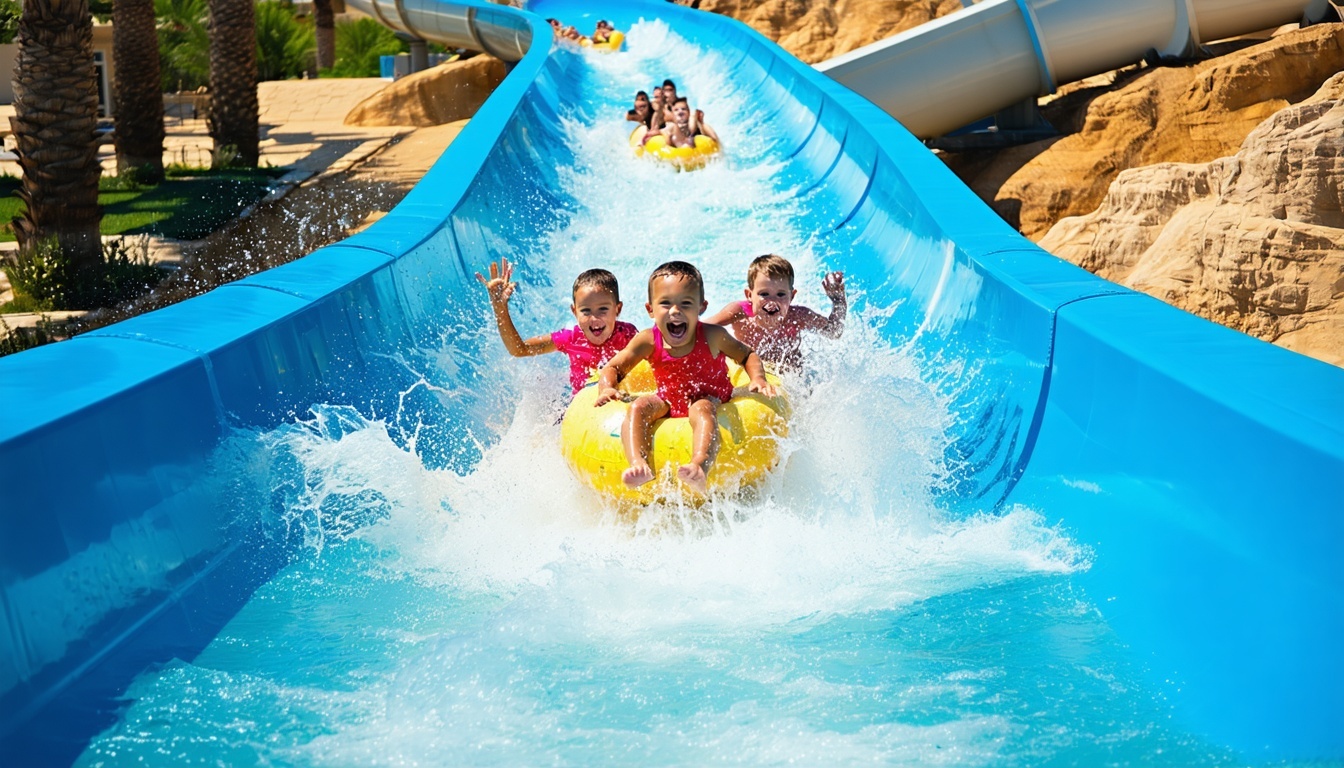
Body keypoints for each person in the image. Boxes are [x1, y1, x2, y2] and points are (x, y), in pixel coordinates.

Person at [595, 261, 776, 493]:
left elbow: (747, 355)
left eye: (686, 304)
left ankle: (699, 466)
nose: (675, 311)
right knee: (639, 406)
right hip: (668, 401)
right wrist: (607, 387)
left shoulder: (713, 336)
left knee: (701, 409)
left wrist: (758, 378)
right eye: (665, 304)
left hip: (712, 399)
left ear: (701, 307)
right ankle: (639, 465)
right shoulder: (648, 340)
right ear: (650, 309)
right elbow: (613, 368)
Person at [477, 258, 638, 396]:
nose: (594, 319)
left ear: (618, 309)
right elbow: (519, 349)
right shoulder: (570, 339)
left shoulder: (628, 335)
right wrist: (500, 308)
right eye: (586, 311)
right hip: (582, 415)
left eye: (603, 309)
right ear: (574, 312)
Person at [704, 254, 846, 371]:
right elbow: (701, 328)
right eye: (764, 294)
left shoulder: (798, 316)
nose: (772, 301)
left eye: (781, 294)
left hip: (789, 375)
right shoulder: (739, 313)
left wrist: (838, 301)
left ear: (792, 296)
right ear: (749, 295)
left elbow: (833, 332)